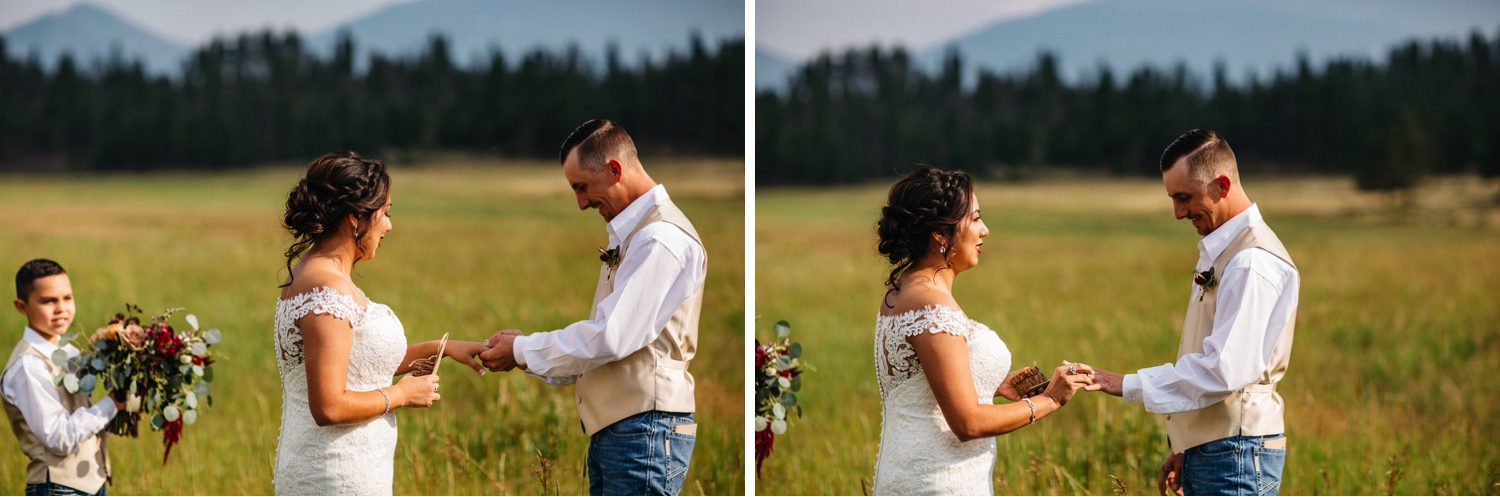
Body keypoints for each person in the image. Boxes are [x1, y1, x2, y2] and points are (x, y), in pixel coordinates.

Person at [479, 120, 707, 496]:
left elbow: (611, 337)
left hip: (644, 432)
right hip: (627, 431)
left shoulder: (659, 238)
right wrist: (524, 349)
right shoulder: (638, 234)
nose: (581, 203)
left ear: (615, 170)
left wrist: (522, 350)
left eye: (582, 187)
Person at [1091, 129, 1300, 496]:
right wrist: (1187, 446)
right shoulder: (1224, 249)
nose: (1177, 213)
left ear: (1221, 185)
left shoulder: (1251, 261)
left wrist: (1126, 383)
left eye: (1184, 198)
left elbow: (1225, 370)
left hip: (1235, 452)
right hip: (1218, 450)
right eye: (1173, 198)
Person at [870, 166, 1096, 495]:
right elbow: (967, 423)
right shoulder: (932, 307)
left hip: (907, 473)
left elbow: (921, 381)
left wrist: (989, 382)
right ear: (940, 234)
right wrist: (1050, 400)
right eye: (975, 218)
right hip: (939, 481)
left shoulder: (904, 289)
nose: (985, 230)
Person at [271, 151, 487, 495]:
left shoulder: (318, 273)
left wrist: (442, 349)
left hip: (343, 466)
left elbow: (356, 365)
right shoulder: (326, 289)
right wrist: (400, 395)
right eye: (384, 214)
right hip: (337, 476)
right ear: (356, 218)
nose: (389, 225)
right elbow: (328, 405)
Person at [3, 259, 117, 496]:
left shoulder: (69, 352)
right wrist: (112, 404)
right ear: (21, 307)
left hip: (93, 483)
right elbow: (58, 437)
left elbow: (84, 420)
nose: (61, 309)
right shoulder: (28, 365)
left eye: (67, 298)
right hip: (57, 488)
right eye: (48, 301)